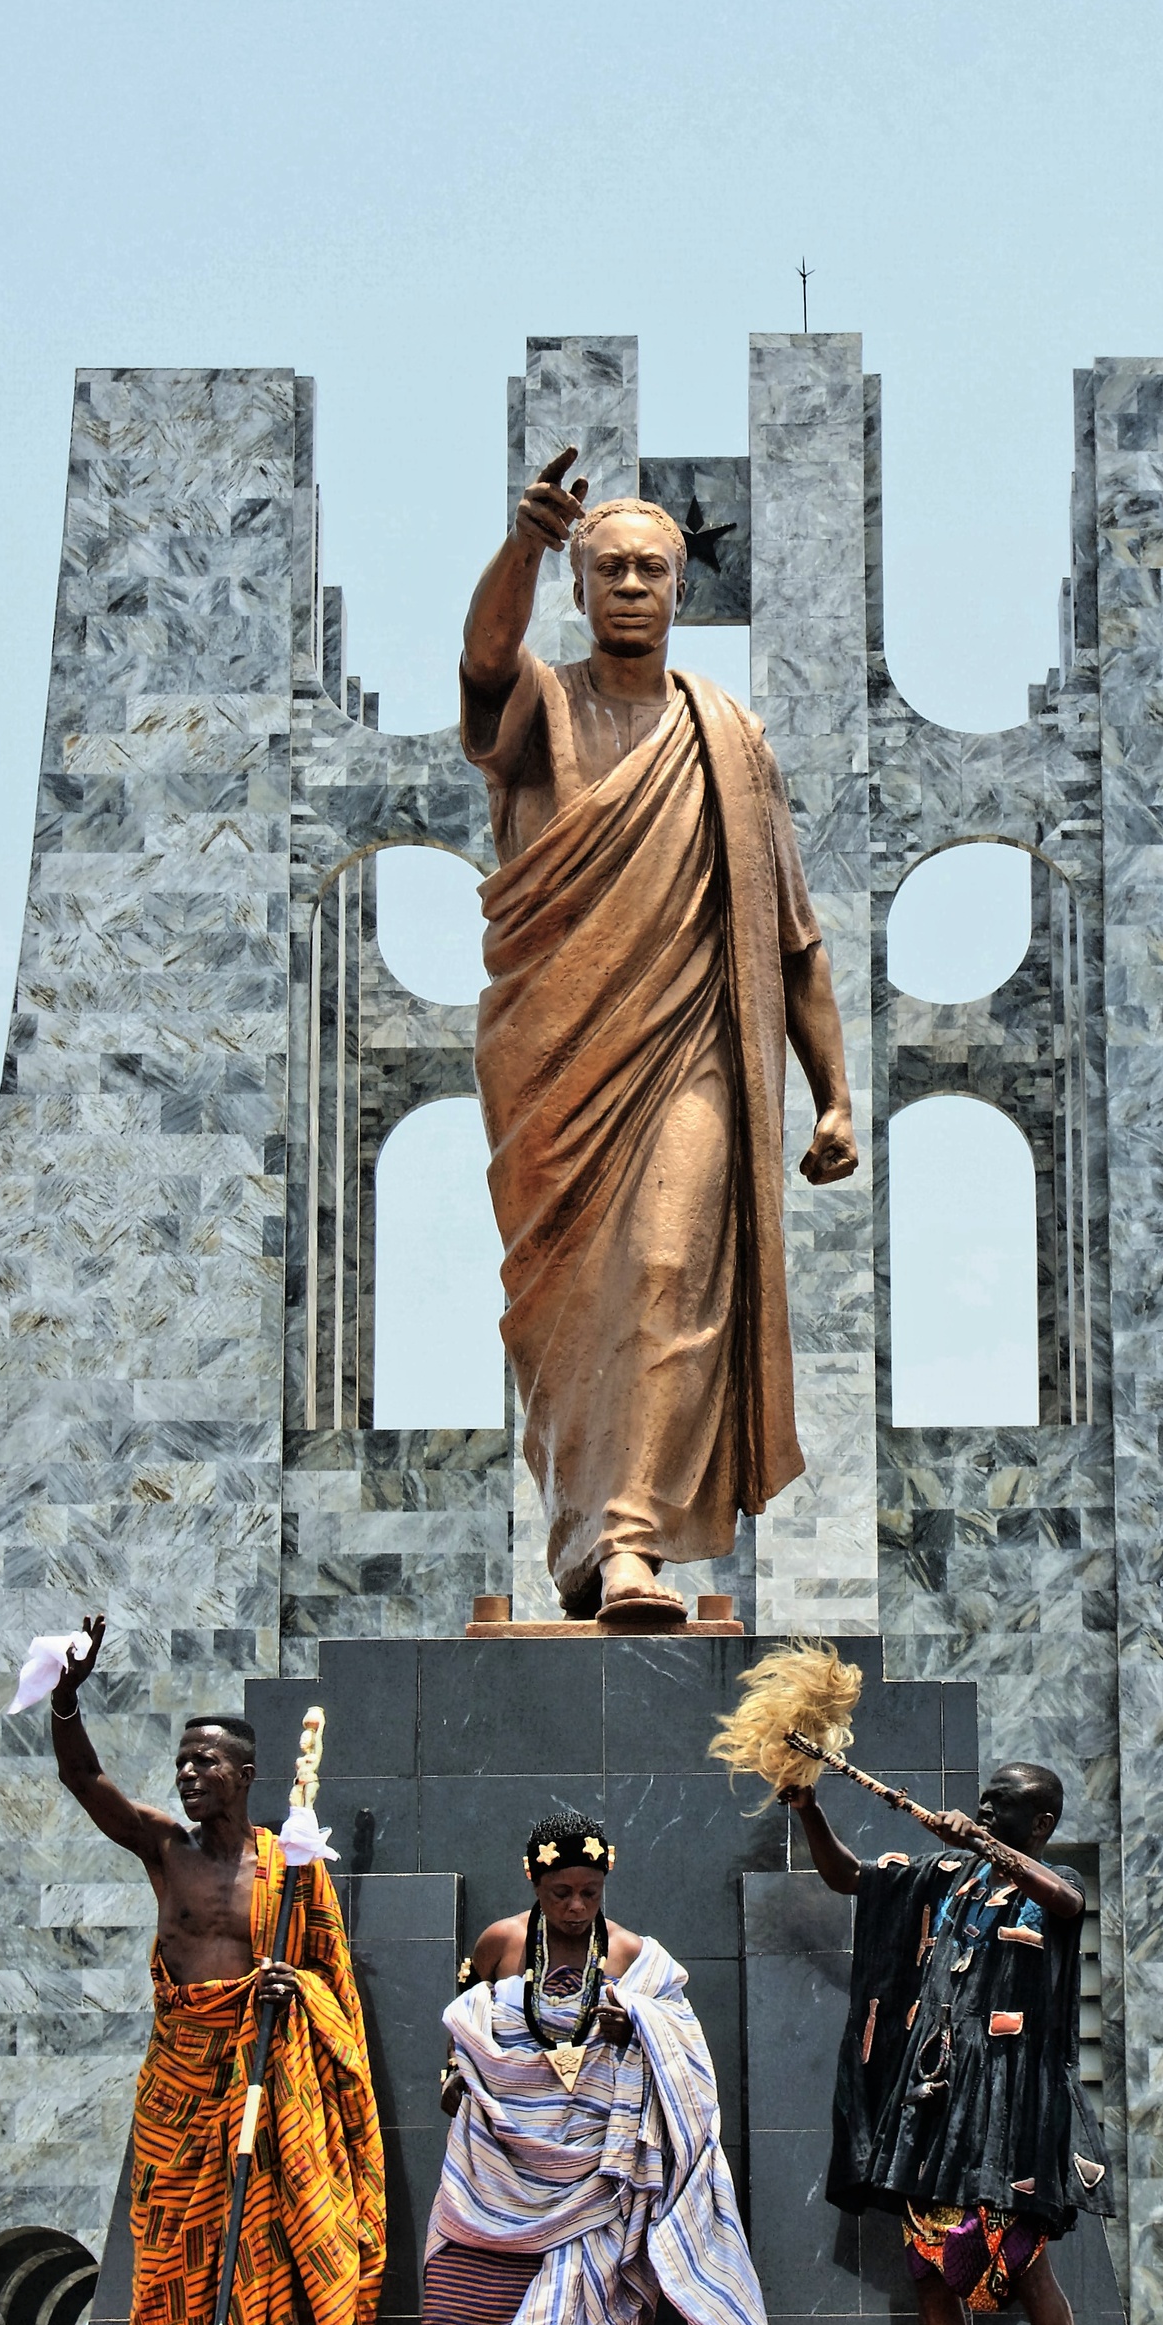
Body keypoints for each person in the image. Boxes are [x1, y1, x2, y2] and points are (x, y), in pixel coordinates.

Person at [459, 452, 857, 1624]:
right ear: (577, 590)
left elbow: (792, 940)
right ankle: (584, 1534)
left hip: (691, 1051)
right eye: (608, 569)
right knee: (572, 1302)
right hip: (555, 1061)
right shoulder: (541, 705)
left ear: (682, 590)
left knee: (672, 1269)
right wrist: (522, 546)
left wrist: (832, 1094)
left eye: (653, 569)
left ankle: (631, 1539)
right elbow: (484, 659)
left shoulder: (731, 740)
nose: (631, 585)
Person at [47, 1619, 386, 2325]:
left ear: (246, 1775)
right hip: (181, 2090)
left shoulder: (291, 1863)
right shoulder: (165, 1848)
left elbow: (330, 1979)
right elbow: (85, 1779)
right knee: (169, 2276)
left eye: (207, 1765)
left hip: (268, 2084)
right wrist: (64, 1698)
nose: (191, 1777)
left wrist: (291, 1988)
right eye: (183, 1766)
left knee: (266, 2264)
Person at [411, 1813, 784, 2325]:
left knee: (595, 2306)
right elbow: (461, 2033)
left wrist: (635, 2029)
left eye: (590, 1891)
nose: (577, 1906)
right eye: (561, 1893)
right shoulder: (500, 1942)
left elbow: (684, 2054)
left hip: (595, 2172)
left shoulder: (634, 1957)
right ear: (533, 1881)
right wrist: (457, 2078)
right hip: (493, 2163)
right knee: (469, 2299)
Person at [784, 1755, 1110, 2325]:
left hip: (1014, 2110)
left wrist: (983, 1844)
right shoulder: (942, 1874)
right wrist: (808, 1808)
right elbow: (850, 1879)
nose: (986, 1812)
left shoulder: (1058, 1886)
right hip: (934, 2103)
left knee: (1029, 2267)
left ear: (1042, 1822)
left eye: (1003, 1806)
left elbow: (1064, 1902)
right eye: (983, 1803)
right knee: (930, 2273)